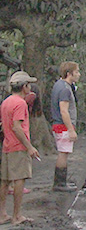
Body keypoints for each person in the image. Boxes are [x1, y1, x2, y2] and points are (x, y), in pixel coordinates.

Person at [0, 71, 40, 225]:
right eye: (28, 85)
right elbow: (17, 127)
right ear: (24, 87)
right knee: (19, 179)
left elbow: (5, 126)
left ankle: (2, 214)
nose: (30, 88)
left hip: (7, 146)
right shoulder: (20, 103)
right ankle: (17, 215)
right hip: (18, 146)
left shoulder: (6, 102)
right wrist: (29, 147)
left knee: (4, 180)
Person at [51, 61, 81, 192]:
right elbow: (64, 111)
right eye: (77, 72)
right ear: (69, 73)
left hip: (59, 125)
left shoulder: (59, 85)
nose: (79, 74)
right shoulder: (64, 89)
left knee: (63, 152)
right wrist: (70, 129)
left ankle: (61, 182)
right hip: (63, 126)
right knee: (63, 153)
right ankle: (60, 183)